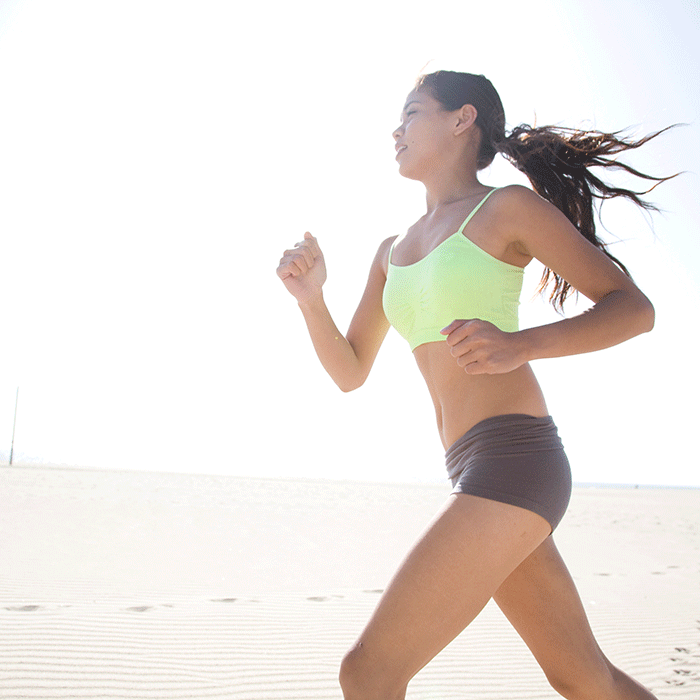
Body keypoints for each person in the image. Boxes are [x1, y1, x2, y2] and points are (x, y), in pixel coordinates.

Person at [277, 70, 673, 700]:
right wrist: (310, 300)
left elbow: (633, 308)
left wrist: (523, 344)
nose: (396, 130)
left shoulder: (504, 209)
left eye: (411, 113)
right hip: (470, 466)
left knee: (368, 671)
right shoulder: (391, 250)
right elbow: (350, 371)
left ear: (463, 119)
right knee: (584, 679)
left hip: (518, 459)